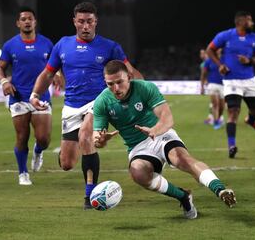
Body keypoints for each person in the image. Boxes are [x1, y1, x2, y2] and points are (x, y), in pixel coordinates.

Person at [29, 2, 142, 209]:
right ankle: (68, 157)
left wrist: (144, 95)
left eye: (89, 21)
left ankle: (90, 195)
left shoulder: (110, 47)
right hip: (72, 106)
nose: (85, 26)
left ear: (96, 22)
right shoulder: (62, 45)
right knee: (67, 163)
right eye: (81, 21)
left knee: (85, 136)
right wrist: (35, 94)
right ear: (74, 22)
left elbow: (131, 72)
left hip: (99, 102)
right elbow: (47, 73)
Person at [93, 60, 236, 219]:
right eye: (110, 84)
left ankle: (220, 190)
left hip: (161, 134)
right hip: (137, 146)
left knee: (181, 159)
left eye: (119, 82)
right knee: (138, 173)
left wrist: (155, 130)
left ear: (129, 77)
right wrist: (101, 140)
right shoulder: (102, 101)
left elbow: (167, 119)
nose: (116, 89)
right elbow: (97, 139)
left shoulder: (145, 88)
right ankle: (183, 196)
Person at [0, 7, 54, 185]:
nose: (27, 21)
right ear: (18, 23)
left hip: (41, 96)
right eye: (23, 19)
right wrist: (4, 82)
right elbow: (0, 67)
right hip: (19, 97)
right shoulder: (10, 45)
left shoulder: (46, 43)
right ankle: (23, 173)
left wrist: (58, 75)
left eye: (30, 18)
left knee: (43, 139)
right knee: (22, 137)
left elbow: (55, 64)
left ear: (35, 22)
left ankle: (38, 151)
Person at [206, 11, 255, 158]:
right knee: (233, 113)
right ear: (241, 22)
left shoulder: (254, 38)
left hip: (249, 80)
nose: (252, 23)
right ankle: (231, 145)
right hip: (231, 80)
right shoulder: (225, 36)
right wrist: (220, 64)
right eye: (250, 20)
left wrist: (250, 60)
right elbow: (210, 49)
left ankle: (251, 120)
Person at [200, 49, 225, 130]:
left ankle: (218, 119)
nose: (218, 51)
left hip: (223, 85)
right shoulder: (208, 61)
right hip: (212, 85)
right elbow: (203, 74)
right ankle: (216, 122)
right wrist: (202, 86)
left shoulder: (224, 60)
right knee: (215, 104)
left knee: (222, 106)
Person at [199, 49, 214, 125]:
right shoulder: (203, 64)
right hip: (211, 83)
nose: (201, 55)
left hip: (215, 83)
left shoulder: (209, 62)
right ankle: (212, 117)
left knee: (214, 102)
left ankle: (213, 118)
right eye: (200, 54)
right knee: (214, 102)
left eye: (202, 53)